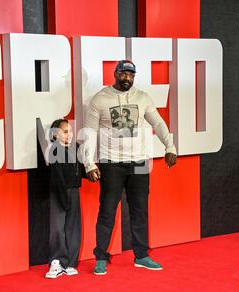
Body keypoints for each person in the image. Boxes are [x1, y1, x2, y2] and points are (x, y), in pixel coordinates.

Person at [82, 60, 177, 275]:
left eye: (131, 75)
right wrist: (88, 163)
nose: (128, 78)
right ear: (115, 74)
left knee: (140, 210)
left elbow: (158, 123)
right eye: (124, 74)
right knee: (107, 211)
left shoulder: (142, 97)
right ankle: (101, 257)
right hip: (111, 162)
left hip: (140, 162)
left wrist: (170, 146)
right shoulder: (100, 99)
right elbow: (89, 133)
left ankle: (141, 255)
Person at [45, 119, 85, 278]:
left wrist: (92, 173)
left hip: (74, 191)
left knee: (73, 228)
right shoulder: (54, 150)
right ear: (55, 134)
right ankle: (57, 261)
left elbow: (80, 170)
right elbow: (57, 177)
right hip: (58, 192)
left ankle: (70, 263)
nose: (70, 134)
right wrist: (62, 196)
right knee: (57, 227)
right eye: (65, 131)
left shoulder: (76, 148)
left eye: (70, 131)